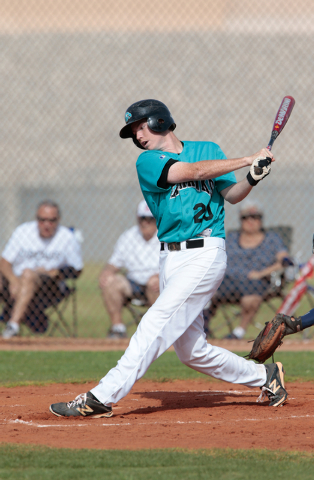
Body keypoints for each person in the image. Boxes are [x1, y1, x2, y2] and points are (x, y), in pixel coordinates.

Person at [49, 99, 288, 419]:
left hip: (205, 253)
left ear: (160, 121)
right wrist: (248, 158)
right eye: (133, 131)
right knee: (192, 351)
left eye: (140, 126)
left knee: (154, 323)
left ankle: (101, 397)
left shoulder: (209, 148)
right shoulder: (147, 161)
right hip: (170, 258)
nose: (138, 135)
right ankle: (266, 377)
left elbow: (231, 195)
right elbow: (191, 172)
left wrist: (252, 177)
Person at [203, 200, 288, 339]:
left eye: (255, 217)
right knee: (205, 288)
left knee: (251, 297)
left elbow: (284, 260)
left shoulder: (272, 239)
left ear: (261, 220)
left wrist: (261, 274)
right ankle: (203, 329)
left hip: (255, 282)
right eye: (245, 217)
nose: (250, 221)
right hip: (228, 280)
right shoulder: (231, 238)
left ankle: (238, 332)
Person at [0, 200, 83, 339]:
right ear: (36, 219)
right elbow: (4, 262)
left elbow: (77, 270)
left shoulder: (66, 237)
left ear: (58, 220)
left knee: (28, 274)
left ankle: (13, 326)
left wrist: (58, 272)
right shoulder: (23, 231)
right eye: (42, 220)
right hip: (16, 283)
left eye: (52, 221)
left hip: (48, 287)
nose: (46, 225)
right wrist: (14, 281)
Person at [99, 199, 160, 339]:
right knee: (111, 281)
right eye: (142, 218)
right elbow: (114, 263)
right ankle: (118, 329)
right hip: (133, 283)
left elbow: (176, 265)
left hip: (158, 283)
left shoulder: (167, 236)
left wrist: (160, 275)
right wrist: (107, 272)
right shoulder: (128, 236)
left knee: (154, 283)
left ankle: (157, 330)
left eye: (150, 219)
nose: (146, 222)